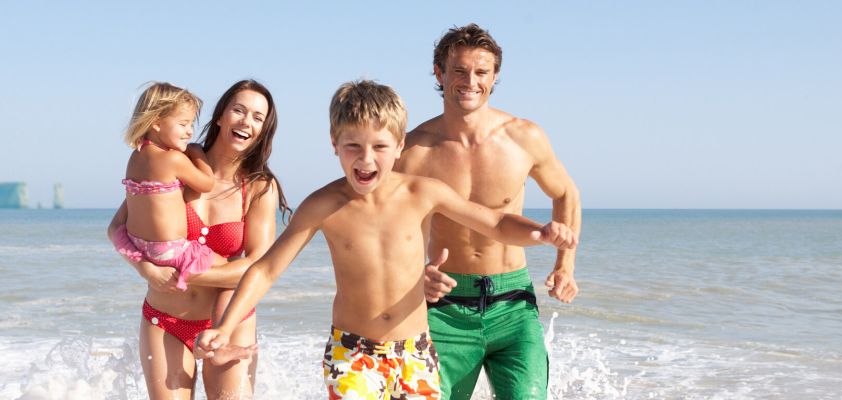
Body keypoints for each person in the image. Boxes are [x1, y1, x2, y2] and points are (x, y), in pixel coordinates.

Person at [194, 80, 577, 400]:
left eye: (379, 147)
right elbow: (265, 269)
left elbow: (494, 222)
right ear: (334, 144)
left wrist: (540, 233)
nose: (366, 160)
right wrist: (225, 328)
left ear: (399, 146)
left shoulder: (423, 193)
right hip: (353, 351)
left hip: (417, 351)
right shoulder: (324, 204)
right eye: (353, 147)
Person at [397, 23, 581, 399]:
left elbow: (566, 193)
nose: (471, 81)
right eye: (460, 71)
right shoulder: (413, 150)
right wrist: (416, 276)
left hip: (513, 304)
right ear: (439, 73)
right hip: (443, 307)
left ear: (494, 76)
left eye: (481, 72)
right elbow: (386, 229)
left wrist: (565, 265)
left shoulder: (523, 136)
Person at [108, 79, 290, 399]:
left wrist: (187, 274)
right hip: (165, 321)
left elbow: (258, 266)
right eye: (239, 110)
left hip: (229, 324)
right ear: (221, 116)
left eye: (258, 117)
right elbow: (121, 226)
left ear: (263, 130)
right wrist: (145, 269)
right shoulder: (174, 164)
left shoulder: (260, 188)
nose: (247, 121)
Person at [111, 82, 218, 291]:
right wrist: (197, 152)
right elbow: (207, 184)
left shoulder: (136, 157)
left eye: (191, 125)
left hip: (139, 246)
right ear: (157, 123)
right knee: (237, 273)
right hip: (171, 251)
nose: (189, 132)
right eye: (183, 124)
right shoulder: (173, 159)